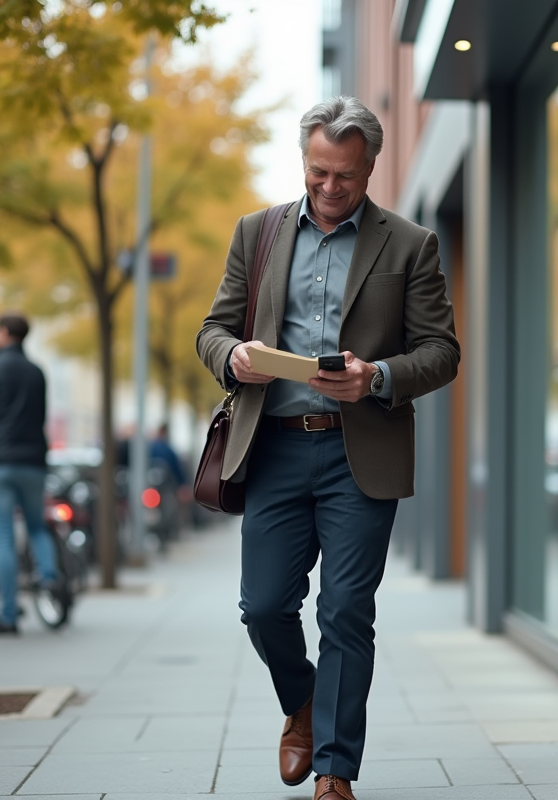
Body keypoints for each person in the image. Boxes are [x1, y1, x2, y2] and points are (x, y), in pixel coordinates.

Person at [196, 96, 460, 800]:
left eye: (344, 175)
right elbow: (212, 330)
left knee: (346, 610)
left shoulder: (410, 245)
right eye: (318, 172)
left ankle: (335, 771)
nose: (330, 187)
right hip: (275, 448)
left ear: (370, 167)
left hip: (358, 455)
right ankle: (304, 703)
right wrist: (235, 358)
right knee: (264, 607)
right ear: (304, 160)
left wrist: (376, 378)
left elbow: (442, 354)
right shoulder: (258, 233)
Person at [0, 313, 60, 635]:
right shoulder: (37, 373)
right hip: (32, 461)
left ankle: (8, 614)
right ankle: (48, 576)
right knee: (37, 526)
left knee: (2, 535)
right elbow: (41, 415)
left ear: (4, 334)